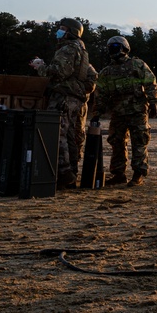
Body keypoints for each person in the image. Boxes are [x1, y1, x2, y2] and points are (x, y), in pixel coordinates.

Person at [30, 17, 96, 190]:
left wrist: (40, 67)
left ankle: (64, 174)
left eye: (62, 28)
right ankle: (72, 174)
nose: (58, 31)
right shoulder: (82, 50)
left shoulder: (68, 49)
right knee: (70, 137)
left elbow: (58, 73)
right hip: (75, 98)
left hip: (64, 97)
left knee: (57, 134)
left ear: (71, 32)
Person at [94, 36, 157, 187]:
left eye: (116, 46)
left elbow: (150, 83)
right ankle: (118, 174)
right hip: (117, 113)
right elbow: (101, 94)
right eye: (110, 46)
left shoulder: (137, 64)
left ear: (124, 47)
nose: (112, 49)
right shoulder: (106, 72)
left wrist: (154, 102)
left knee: (139, 142)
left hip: (137, 111)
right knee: (116, 143)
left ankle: (138, 174)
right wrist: (97, 112)